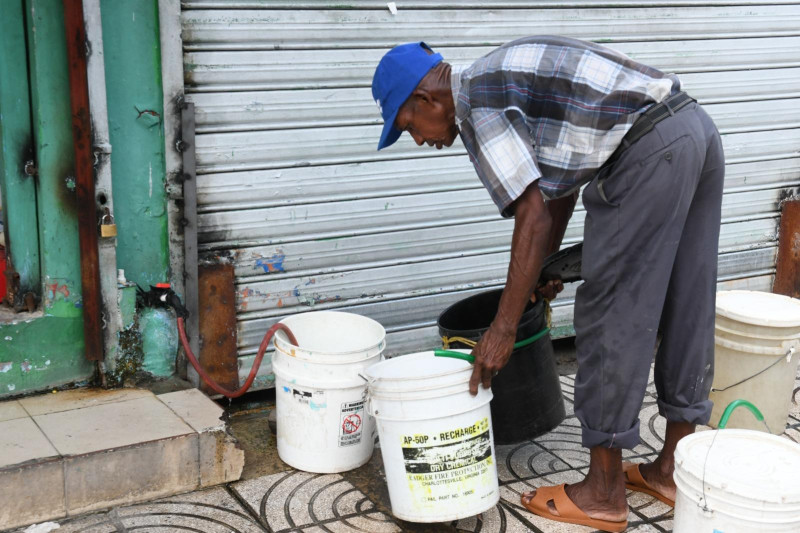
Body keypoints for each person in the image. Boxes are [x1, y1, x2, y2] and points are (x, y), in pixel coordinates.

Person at [371, 37, 724, 532]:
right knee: (686, 300)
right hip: (693, 131)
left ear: (428, 98)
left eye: (408, 125)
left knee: (611, 315)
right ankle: (670, 471)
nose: (418, 139)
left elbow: (532, 213)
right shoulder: (501, 78)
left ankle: (602, 494)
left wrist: (503, 327)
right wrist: (542, 271)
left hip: (650, 151)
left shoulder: (476, 103)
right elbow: (556, 191)